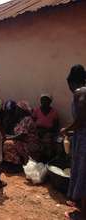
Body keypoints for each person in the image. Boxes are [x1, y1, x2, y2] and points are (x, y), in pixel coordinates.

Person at [61, 64, 86, 220]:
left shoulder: (80, 92)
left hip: (84, 138)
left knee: (83, 173)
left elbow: (82, 119)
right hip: (80, 134)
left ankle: (82, 215)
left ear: (72, 82)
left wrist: (67, 129)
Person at [3, 101, 41, 166]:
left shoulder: (27, 119)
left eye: (17, 109)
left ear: (22, 111)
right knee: (7, 141)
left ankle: (17, 164)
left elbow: (22, 135)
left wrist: (7, 137)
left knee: (7, 144)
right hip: (23, 141)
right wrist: (6, 136)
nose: (16, 111)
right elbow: (17, 134)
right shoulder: (20, 120)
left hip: (29, 143)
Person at [33, 94, 59, 161]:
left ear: (50, 102)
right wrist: (38, 130)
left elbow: (56, 126)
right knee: (35, 139)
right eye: (42, 100)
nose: (44, 102)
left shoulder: (54, 112)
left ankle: (47, 158)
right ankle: (37, 157)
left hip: (49, 131)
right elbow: (32, 123)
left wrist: (46, 130)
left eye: (46, 100)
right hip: (38, 130)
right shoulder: (36, 110)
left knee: (47, 139)